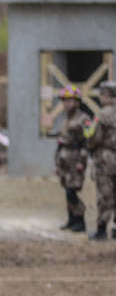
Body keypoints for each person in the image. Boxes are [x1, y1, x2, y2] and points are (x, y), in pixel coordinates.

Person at [51, 85, 93, 232]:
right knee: (66, 190)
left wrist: (82, 161)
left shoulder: (85, 119)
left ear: (77, 102)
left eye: (70, 101)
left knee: (72, 191)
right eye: (65, 101)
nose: (67, 104)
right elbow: (61, 142)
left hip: (76, 160)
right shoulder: (65, 119)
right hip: (64, 159)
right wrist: (57, 162)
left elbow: (87, 142)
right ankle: (72, 219)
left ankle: (80, 219)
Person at [87, 80, 116, 240]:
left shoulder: (101, 115)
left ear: (105, 96)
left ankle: (102, 229)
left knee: (105, 195)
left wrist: (90, 146)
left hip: (105, 161)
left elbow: (93, 137)